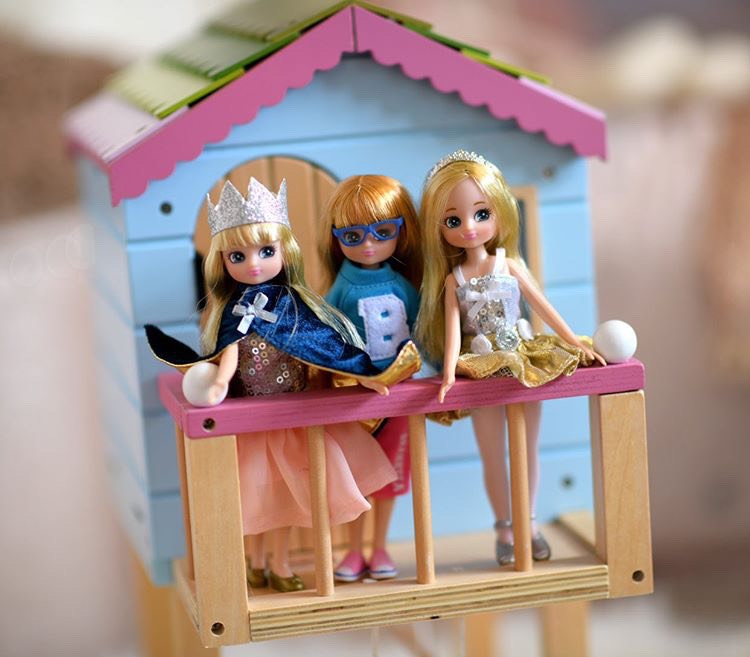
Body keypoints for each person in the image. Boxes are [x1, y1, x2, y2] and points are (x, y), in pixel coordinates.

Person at [146, 177, 420, 591]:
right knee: (260, 499)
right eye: (238, 256)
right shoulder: (234, 310)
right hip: (255, 424)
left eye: (266, 251)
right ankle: (256, 562)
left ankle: (280, 562)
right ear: (222, 261)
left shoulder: (294, 305)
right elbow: (229, 350)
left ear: (284, 252)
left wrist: (364, 372)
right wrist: (219, 383)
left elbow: (322, 345)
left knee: (291, 499)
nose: (254, 265)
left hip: (293, 420)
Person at [414, 151, 604, 565]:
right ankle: (504, 527)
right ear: (438, 229)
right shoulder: (454, 280)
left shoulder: (509, 265)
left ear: (499, 211)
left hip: (522, 360)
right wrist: (448, 374)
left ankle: (528, 523)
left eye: (481, 214)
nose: (469, 227)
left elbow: (544, 307)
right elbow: (452, 332)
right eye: (453, 220)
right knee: (491, 453)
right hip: (481, 367)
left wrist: (573, 340)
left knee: (527, 447)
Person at [320, 175, 421, 582]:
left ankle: (379, 545)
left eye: (382, 233)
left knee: (392, 473)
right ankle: (353, 549)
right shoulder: (341, 289)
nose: (368, 245)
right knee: (356, 475)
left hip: (398, 393)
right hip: (356, 395)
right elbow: (327, 334)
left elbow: (424, 328)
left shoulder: (403, 286)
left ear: (400, 232)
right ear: (336, 238)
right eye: (352, 235)